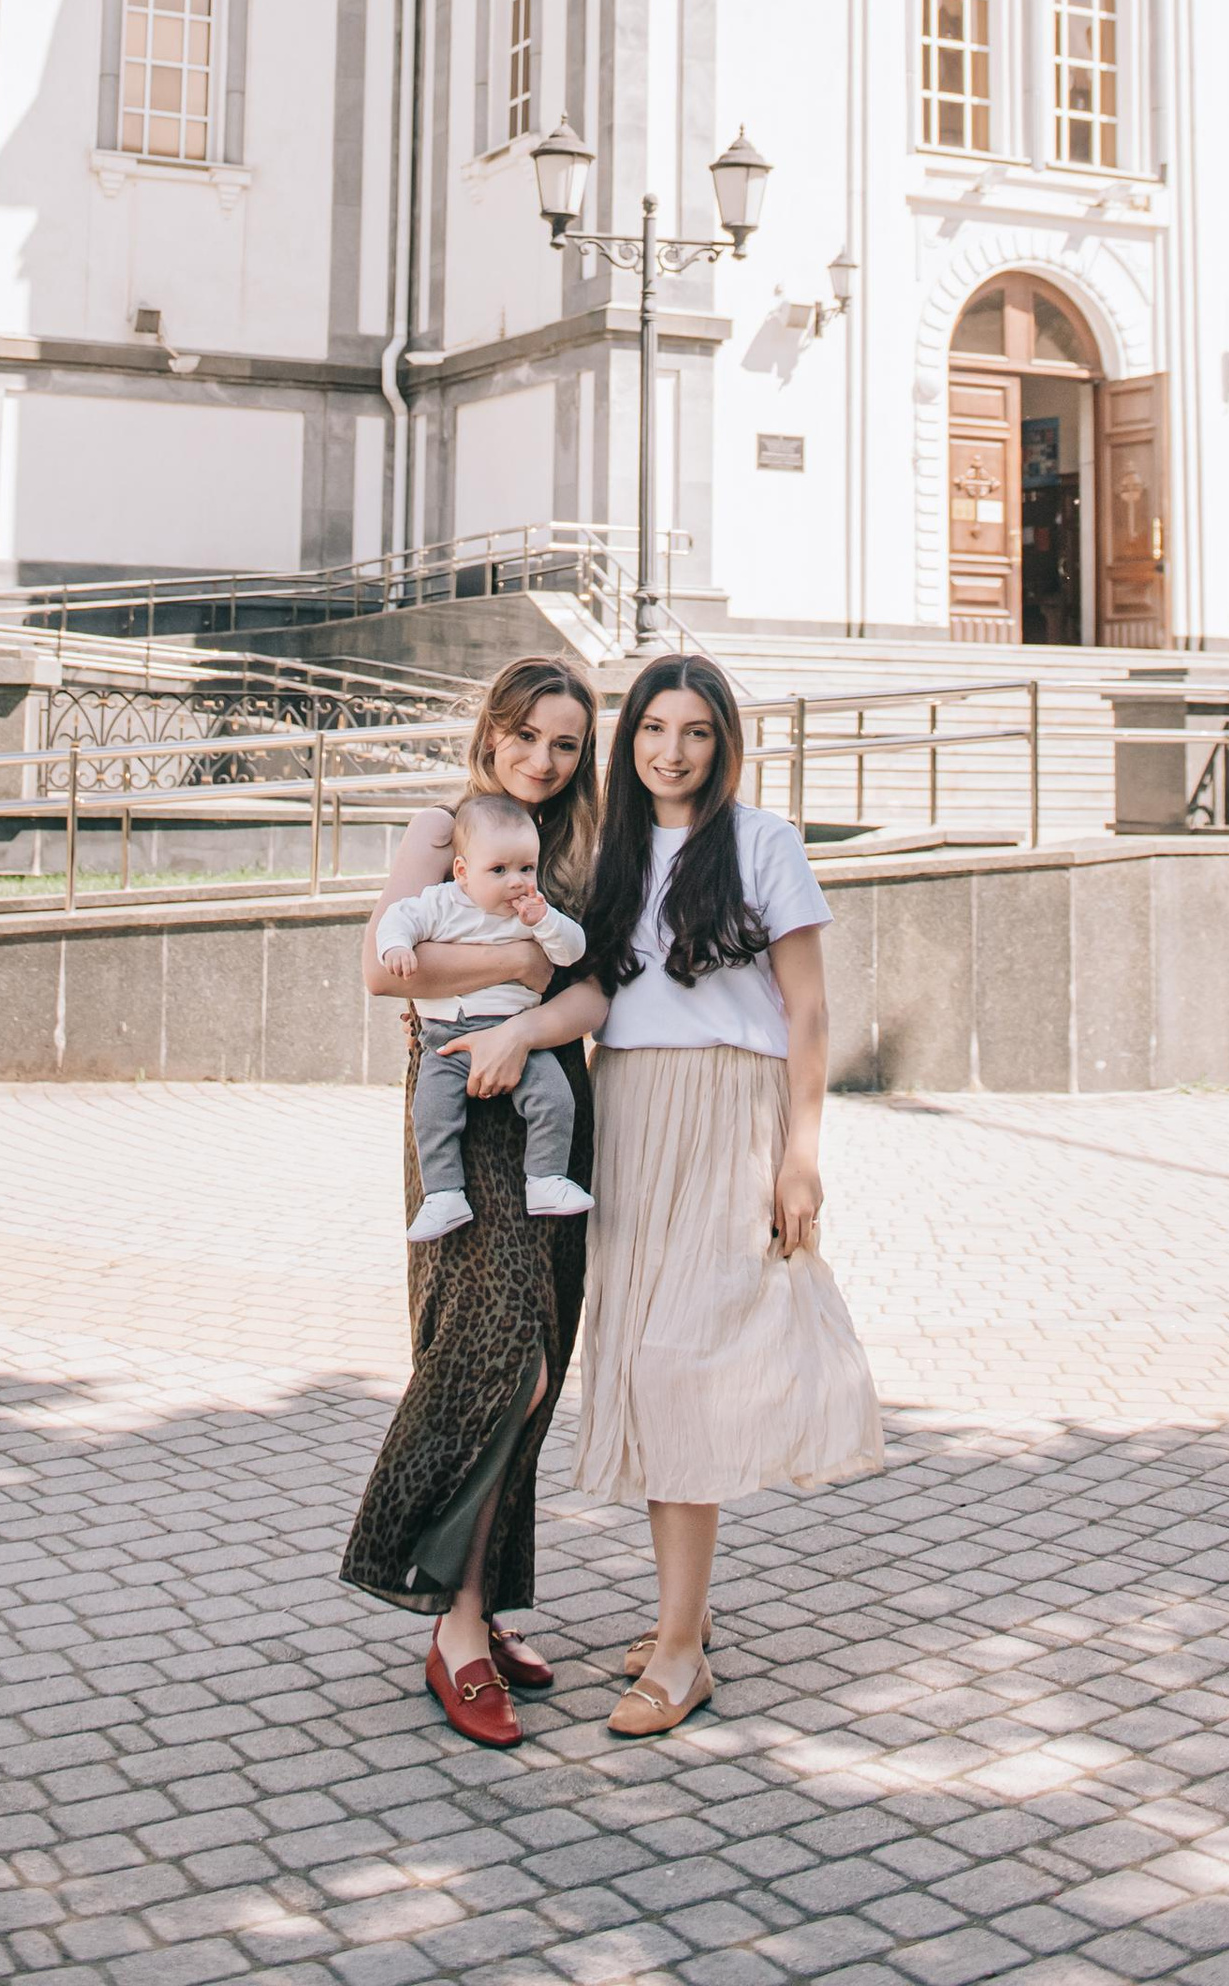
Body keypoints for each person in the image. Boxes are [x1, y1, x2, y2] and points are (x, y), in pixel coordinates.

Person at [572, 651, 883, 1740]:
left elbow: (806, 1013)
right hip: (629, 1118)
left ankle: (680, 1650)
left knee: (680, 1368)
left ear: (724, 742)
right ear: (630, 739)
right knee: (644, 1362)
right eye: (654, 729)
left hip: (728, 1117)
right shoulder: (605, 848)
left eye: (695, 732)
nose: (671, 751)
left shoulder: (761, 844)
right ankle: (678, 1619)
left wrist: (802, 1152)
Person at [341, 656, 607, 1752]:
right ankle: (446, 1621)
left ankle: (483, 1603)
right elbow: (381, 968)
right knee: (492, 1348)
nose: (544, 762)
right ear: (491, 731)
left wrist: (517, 1010)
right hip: (456, 1114)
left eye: (567, 746)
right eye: (529, 737)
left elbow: (596, 987)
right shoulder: (433, 827)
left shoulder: (586, 852)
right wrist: (512, 960)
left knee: (540, 1356)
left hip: (547, 1101)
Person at [377, 791, 593, 1239]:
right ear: (463, 872)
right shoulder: (440, 903)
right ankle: (443, 1194)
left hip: (514, 1034)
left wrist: (546, 922)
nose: (516, 882)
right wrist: (396, 947)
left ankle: (545, 1179)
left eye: (526, 869)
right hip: (448, 1038)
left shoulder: (530, 914)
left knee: (555, 1098)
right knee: (434, 1112)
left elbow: (572, 953)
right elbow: (399, 919)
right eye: (499, 870)